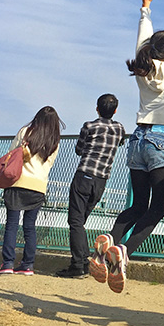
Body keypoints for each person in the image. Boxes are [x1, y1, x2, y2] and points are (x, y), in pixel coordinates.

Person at [90, 0, 164, 293]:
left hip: (137, 140)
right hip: (162, 140)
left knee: (138, 206)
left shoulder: (142, 68)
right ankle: (123, 250)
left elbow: (143, 42)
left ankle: (111, 239)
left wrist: (145, 8)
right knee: (157, 210)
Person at [56, 94, 125, 279]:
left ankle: (79, 265)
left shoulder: (89, 126)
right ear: (115, 110)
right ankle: (82, 261)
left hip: (84, 176)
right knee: (81, 221)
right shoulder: (119, 128)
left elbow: (79, 149)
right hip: (101, 180)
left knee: (75, 222)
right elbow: (121, 141)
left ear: (97, 108)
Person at [0, 106, 64, 275]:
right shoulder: (54, 141)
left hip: (18, 183)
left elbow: (11, 154)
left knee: (11, 225)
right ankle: (27, 265)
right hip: (38, 187)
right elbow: (49, 164)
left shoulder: (25, 132)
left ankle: (7, 264)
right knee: (30, 226)